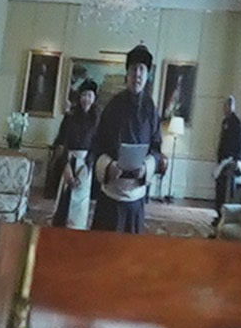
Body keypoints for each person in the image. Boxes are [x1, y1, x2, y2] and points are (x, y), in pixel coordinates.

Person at [88, 43, 168, 233]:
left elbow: (156, 149)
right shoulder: (112, 106)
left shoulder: (151, 109)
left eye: (142, 69)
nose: (137, 74)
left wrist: (146, 168)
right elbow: (97, 144)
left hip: (135, 197)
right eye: (133, 69)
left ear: (147, 75)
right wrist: (108, 167)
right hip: (111, 195)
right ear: (127, 74)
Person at [47, 70, 102, 219]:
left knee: (80, 205)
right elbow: (62, 142)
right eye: (84, 95)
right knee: (65, 200)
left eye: (89, 96)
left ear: (94, 98)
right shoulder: (69, 117)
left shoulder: (97, 120)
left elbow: (96, 146)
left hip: (86, 164)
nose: (86, 99)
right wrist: (66, 168)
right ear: (79, 96)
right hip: (69, 161)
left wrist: (87, 167)